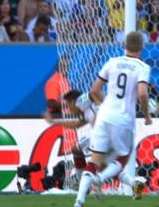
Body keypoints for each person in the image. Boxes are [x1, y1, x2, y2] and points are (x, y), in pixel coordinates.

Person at [74, 31, 152, 207]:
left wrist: (108, 103)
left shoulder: (112, 62)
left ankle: (78, 202)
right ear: (141, 47)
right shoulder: (142, 67)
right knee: (122, 159)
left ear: (124, 45)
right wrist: (147, 115)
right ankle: (100, 179)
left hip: (104, 116)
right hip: (124, 119)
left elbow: (94, 90)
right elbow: (142, 93)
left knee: (95, 160)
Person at [45, 90, 144, 198]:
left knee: (77, 150)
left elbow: (92, 93)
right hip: (113, 135)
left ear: (72, 102)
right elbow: (76, 124)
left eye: (68, 105)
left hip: (104, 134)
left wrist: (101, 110)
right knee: (105, 166)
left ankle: (84, 185)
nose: (69, 109)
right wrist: (54, 122)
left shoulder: (80, 101)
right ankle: (134, 184)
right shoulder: (86, 112)